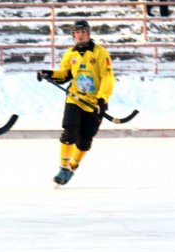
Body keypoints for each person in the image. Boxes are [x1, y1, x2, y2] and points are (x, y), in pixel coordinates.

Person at [37, 20, 115, 186]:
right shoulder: (70, 54)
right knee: (69, 131)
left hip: (94, 103)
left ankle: (72, 167)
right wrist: (48, 74)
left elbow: (107, 77)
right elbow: (65, 75)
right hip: (75, 98)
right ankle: (63, 168)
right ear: (73, 35)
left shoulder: (101, 53)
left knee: (85, 140)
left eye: (83, 32)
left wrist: (102, 99)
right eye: (77, 32)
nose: (80, 35)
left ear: (88, 33)